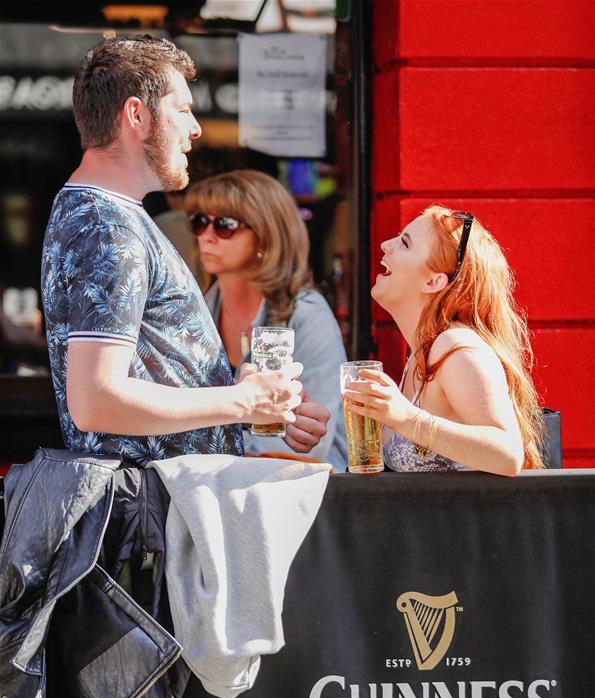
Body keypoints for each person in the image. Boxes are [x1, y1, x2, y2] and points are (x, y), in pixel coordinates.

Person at [40, 35, 328, 466]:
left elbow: (139, 377)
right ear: (137, 115)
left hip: (158, 494)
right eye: (182, 109)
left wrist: (250, 400)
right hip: (151, 501)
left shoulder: (104, 213)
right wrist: (242, 401)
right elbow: (96, 401)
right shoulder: (108, 225)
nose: (196, 128)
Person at [343, 206, 544, 475]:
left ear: (433, 282)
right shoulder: (421, 351)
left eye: (405, 243)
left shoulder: (457, 348)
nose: (386, 245)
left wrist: (407, 419)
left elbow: (507, 454)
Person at [185, 169, 348, 470]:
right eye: (199, 221)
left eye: (224, 225)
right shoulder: (195, 314)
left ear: (265, 236)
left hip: (307, 485)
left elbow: (314, 441)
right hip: (219, 483)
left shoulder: (305, 312)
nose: (206, 235)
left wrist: (214, 444)